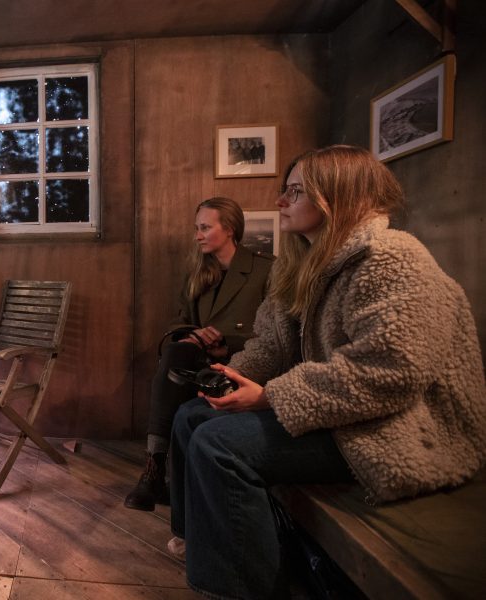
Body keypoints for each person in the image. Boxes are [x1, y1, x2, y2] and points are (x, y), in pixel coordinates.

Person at [167, 145, 486, 598]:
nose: (281, 202)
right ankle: (198, 540)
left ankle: (237, 589)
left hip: (401, 428)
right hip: (342, 410)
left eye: (294, 192)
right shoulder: (302, 264)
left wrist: (270, 397)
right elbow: (271, 347)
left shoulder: (392, 258)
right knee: (192, 417)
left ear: (336, 196)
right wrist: (230, 378)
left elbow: (392, 370)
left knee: (221, 445)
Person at [124, 197, 273, 511]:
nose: (197, 236)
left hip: (239, 366)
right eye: (196, 228)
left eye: (205, 228)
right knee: (177, 352)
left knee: (175, 363)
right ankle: (153, 470)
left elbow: (273, 335)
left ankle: (154, 472)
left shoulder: (265, 270)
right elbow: (180, 322)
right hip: (195, 363)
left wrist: (226, 342)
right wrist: (194, 334)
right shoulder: (198, 273)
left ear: (229, 229)